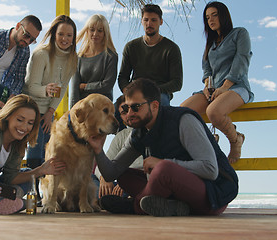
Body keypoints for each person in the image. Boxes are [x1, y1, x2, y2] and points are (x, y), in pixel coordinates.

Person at [87, 79, 238, 217]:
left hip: (212, 196)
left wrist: (161, 163)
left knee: (163, 168)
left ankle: (134, 206)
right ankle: (175, 207)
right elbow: (111, 173)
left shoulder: (183, 121)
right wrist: (98, 150)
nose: (130, 114)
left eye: (136, 107)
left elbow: (211, 170)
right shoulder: (139, 133)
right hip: (176, 193)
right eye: (126, 108)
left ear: (154, 106)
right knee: (124, 175)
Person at [180, 1, 253, 163]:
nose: (210, 20)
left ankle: (236, 140)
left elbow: (241, 61)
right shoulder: (210, 44)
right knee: (182, 112)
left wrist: (225, 87)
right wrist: (207, 87)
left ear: (224, 16)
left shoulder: (240, 33)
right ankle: (209, 140)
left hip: (237, 87)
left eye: (214, 15)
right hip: (213, 90)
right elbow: (207, 70)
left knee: (213, 112)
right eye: (207, 17)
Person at [23, 15, 77, 176]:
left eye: (69, 35)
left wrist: (50, 113)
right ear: (54, 34)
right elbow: (31, 87)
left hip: (47, 111)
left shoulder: (72, 59)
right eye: (61, 34)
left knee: (48, 152)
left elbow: (63, 87)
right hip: (30, 106)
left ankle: (43, 191)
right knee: (35, 150)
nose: (64, 39)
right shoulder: (41, 54)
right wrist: (46, 90)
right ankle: (32, 192)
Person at [117, 4, 183, 106]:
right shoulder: (131, 46)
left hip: (159, 94)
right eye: (146, 20)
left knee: (161, 106)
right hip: (134, 92)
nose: (149, 23)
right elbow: (122, 77)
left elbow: (177, 83)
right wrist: (127, 91)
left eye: (153, 20)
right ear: (141, 21)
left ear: (161, 22)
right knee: (115, 111)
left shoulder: (171, 48)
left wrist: (153, 90)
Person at [94, 95, 144, 198]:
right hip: (119, 183)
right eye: (124, 112)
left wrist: (127, 182)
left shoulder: (149, 129)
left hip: (141, 180)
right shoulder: (121, 136)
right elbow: (104, 164)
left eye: (132, 108)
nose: (129, 114)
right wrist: (104, 178)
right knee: (90, 180)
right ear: (120, 117)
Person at [70, 14, 118, 107]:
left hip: (103, 109)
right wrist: (73, 113)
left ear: (105, 33)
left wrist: (85, 87)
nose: (95, 34)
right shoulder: (78, 57)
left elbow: (107, 86)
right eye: (92, 30)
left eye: (100, 30)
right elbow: (74, 89)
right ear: (87, 31)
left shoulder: (111, 56)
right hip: (83, 109)